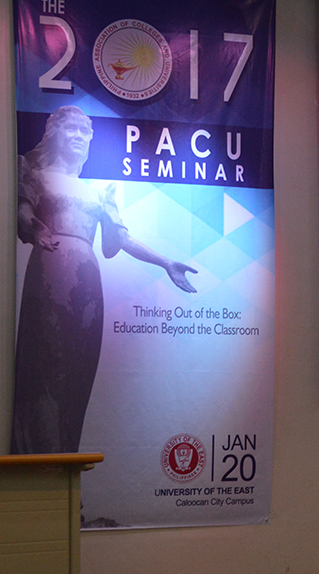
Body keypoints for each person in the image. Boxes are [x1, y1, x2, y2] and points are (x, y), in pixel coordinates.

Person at [11, 105, 197, 454]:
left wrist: (165, 262)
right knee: (48, 362)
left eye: (85, 132)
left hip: (87, 280)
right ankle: (40, 457)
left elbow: (119, 242)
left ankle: (66, 457)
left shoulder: (95, 191)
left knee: (79, 369)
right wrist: (35, 227)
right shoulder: (34, 173)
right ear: (54, 133)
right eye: (71, 129)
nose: (79, 136)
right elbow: (23, 213)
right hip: (52, 270)